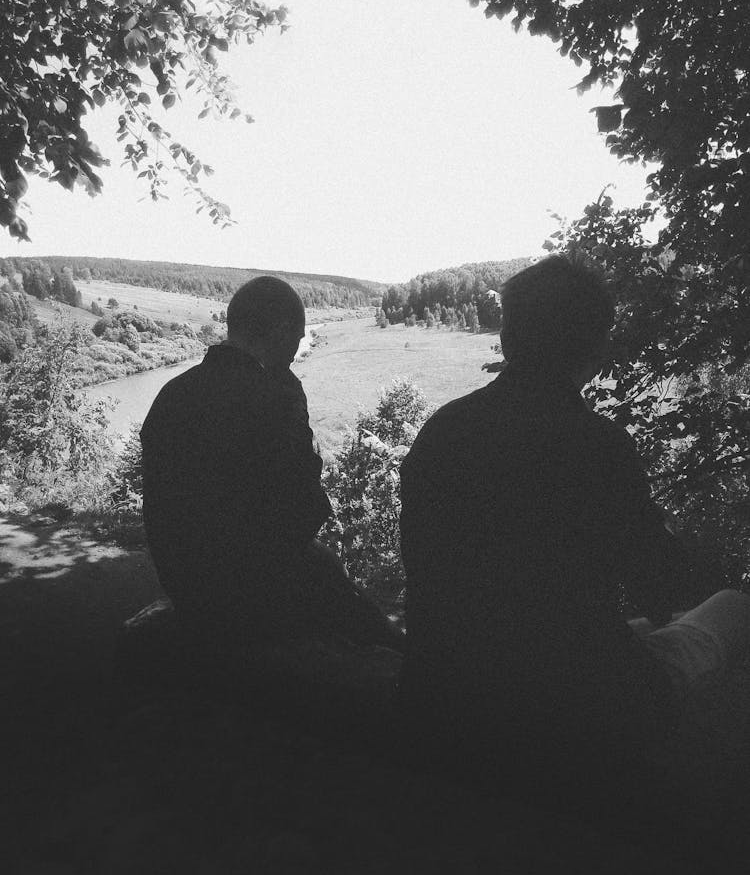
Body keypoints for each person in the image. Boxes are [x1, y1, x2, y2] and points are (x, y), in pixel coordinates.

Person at [398, 253, 750, 806]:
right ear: (593, 349)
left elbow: (424, 569)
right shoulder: (600, 448)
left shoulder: (442, 432)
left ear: (509, 339)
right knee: (733, 607)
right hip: (572, 712)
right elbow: (662, 590)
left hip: (445, 693)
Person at [140, 275, 402, 685]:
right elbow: (304, 515)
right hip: (250, 598)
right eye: (297, 339)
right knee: (354, 606)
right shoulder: (274, 397)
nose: (297, 352)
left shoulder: (172, 393)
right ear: (280, 332)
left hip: (186, 584)